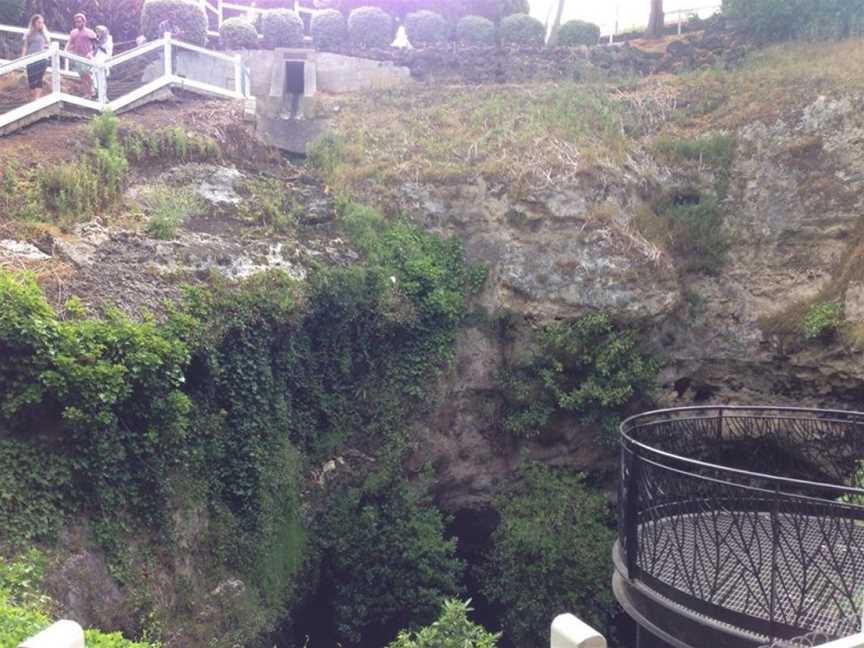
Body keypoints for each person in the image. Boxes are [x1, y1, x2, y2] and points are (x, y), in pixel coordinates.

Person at [65, 13, 97, 98]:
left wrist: (91, 53)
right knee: (82, 76)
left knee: (87, 75)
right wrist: (66, 51)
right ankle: (87, 93)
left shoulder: (90, 32)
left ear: (84, 22)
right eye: (76, 22)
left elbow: (96, 45)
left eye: (79, 21)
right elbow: (70, 43)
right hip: (77, 57)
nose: (77, 23)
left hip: (87, 57)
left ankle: (91, 91)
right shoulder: (73, 32)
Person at [20, 14, 50, 100]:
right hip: (31, 58)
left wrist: (46, 50)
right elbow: (25, 46)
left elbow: (49, 44)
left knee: (39, 78)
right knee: (31, 80)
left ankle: (37, 99)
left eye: (42, 22)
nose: (40, 24)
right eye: (38, 22)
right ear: (34, 23)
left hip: (42, 59)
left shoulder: (45, 33)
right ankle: (34, 97)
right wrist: (23, 57)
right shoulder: (28, 33)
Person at [93, 25, 113, 97]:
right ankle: (98, 94)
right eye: (97, 32)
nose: (98, 33)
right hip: (96, 59)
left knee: (103, 79)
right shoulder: (97, 39)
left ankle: (104, 96)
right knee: (96, 77)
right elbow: (94, 50)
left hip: (103, 60)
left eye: (99, 32)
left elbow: (108, 51)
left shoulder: (108, 40)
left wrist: (99, 46)